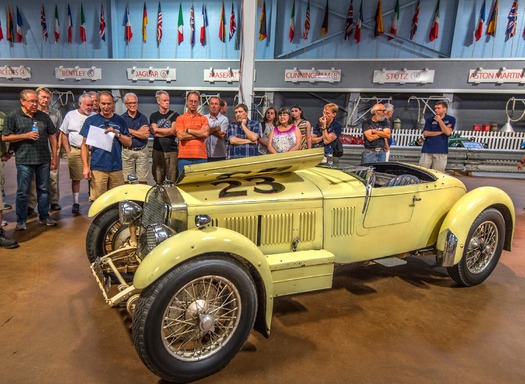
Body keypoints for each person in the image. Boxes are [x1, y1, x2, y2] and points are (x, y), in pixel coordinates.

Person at [2, 89, 58, 231]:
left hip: (43, 159)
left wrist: (54, 158)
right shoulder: (13, 116)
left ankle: (44, 216)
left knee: (44, 189)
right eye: (31, 101)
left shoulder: (43, 116)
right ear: (22, 101)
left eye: (36, 101)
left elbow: (52, 136)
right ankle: (21, 220)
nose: (35, 104)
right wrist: (25, 135)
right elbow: (5, 136)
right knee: (23, 191)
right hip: (24, 160)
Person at [80, 91, 132, 201]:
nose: (106, 107)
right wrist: (85, 166)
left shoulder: (120, 121)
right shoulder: (91, 121)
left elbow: (128, 142)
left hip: (116, 167)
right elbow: (84, 145)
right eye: (103, 104)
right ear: (98, 103)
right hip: (98, 167)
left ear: (113, 104)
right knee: (98, 200)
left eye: (109, 104)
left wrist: (117, 134)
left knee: (117, 199)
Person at [29, 87, 63, 212]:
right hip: (35, 151)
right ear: (37, 97)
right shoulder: (31, 112)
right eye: (43, 97)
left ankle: (53, 201)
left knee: (53, 177)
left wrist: (57, 149)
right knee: (33, 179)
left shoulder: (55, 113)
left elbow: (58, 132)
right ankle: (31, 204)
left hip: (51, 150)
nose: (46, 100)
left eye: (48, 98)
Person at [60, 94, 94, 215]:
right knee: (76, 177)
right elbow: (64, 133)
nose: (90, 107)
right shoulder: (70, 115)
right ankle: (76, 202)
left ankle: (93, 200)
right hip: (76, 150)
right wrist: (68, 151)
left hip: (92, 151)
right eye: (87, 105)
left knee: (94, 177)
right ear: (80, 104)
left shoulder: (95, 116)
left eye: (91, 105)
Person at [176, 91, 210, 174]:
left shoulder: (204, 119)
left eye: (195, 101)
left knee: (201, 185)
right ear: (187, 102)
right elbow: (181, 136)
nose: (193, 104)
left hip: (201, 158)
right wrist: (199, 134)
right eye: (191, 101)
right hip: (184, 158)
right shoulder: (180, 118)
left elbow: (205, 133)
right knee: (183, 185)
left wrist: (189, 130)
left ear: (199, 103)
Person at [149, 90, 179, 184]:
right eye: (165, 100)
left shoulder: (175, 115)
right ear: (158, 101)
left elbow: (173, 130)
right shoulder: (154, 116)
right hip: (158, 150)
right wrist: (167, 132)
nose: (167, 103)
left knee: (172, 178)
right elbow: (154, 131)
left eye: (168, 100)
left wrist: (158, 131)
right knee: (158, 178)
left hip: (172, 151)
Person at [121, 93, 150, 183]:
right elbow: (123, 137)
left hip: (142, 151)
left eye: (135, 102)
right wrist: (139, 132)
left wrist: (129, 130)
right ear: (126, 104)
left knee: (143, 180)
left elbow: (146, 135)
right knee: (128, 181)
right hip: (127, 152)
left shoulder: (143, 117)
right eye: (130, 103)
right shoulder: (121, 119)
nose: (133, 105)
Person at [419, 101, 455, 172]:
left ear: (445, 109)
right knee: (422, 171)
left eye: (439, 108)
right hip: (427, 150)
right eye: (435, 108)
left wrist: (440, 121)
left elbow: (447, 132)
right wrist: (441, 132)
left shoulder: (451, 119)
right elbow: (426, 133)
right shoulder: (430, 120)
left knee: (438, 173)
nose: (436, 110)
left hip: (441, 150)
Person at [205, 96, 229, 162]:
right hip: (205, 155)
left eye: (216, 104)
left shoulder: (224, 119)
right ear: (209, 105)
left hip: (219, 155)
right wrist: (216, 129)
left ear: (219, 106)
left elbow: (222, 135)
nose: (214, 106)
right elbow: (202, 133)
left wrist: (208, 131)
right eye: (212, 104)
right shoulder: (204, 118)